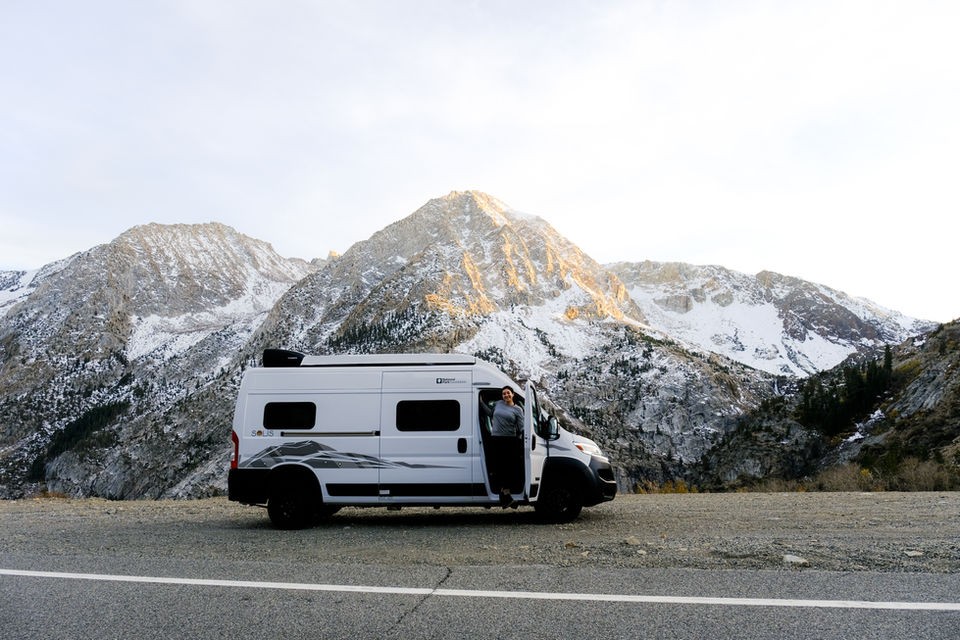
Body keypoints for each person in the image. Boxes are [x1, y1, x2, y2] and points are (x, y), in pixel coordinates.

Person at [481, 385, 524, 506]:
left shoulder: (518, 409)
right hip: (496, 439)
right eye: (504, 393)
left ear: (513, 394)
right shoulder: (498, 404)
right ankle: (504, 495)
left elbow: (521, 427)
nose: (506, 395)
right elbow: (490, 413)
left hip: (510, 440)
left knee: (508, 468)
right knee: (497, 467)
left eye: (508, 393)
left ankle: (505, 494)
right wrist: (480, 402)